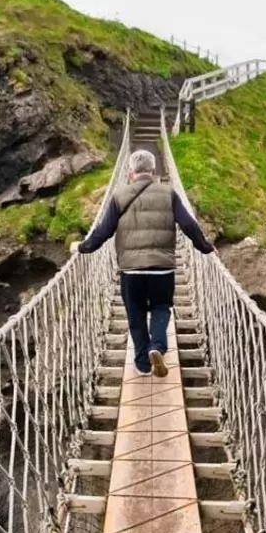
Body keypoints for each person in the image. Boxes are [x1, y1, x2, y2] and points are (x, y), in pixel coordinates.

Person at [74, 148, 215, 376]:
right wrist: (206, 248)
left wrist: (82, 247)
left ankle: (142, 363)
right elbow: (189, 225)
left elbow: (103, 231)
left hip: (131, 270)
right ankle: (157, 346)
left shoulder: (119, 196)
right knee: (161, 307)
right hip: (162, 267)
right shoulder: (168, 193)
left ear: (130, 172)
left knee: (136, 314)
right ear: (153, 170)